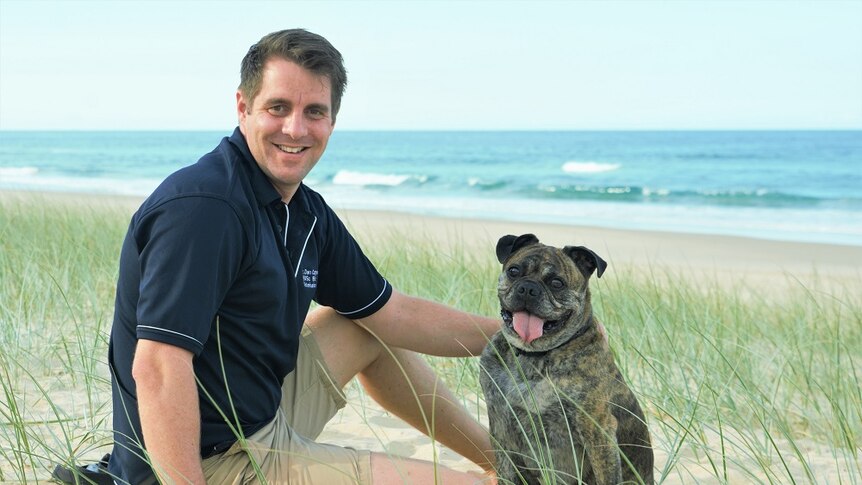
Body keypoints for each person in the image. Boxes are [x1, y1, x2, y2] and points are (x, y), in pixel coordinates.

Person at [107, 28, 500, 484]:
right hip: (208, 460)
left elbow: (392, 313)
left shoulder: (303, 209)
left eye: (314, 112)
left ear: (332, 122)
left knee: (362, 326)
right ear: (243, 107)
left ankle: (507, 461)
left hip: (261, 413)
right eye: (278, 108)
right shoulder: (207, 209)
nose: (295, 129)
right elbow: (157, 367)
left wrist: (513, 337)